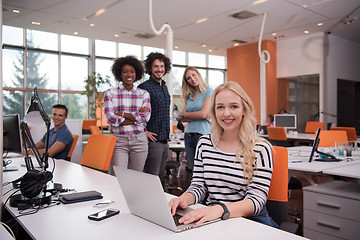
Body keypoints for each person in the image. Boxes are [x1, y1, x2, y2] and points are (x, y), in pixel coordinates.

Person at [169, 81, 278, 228]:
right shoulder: (204, 143)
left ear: (244, 109)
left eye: (234, 106)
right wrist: (184, 199)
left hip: (250, 222)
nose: (226, 113)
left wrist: (219, 210)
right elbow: (198, 186)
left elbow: (256, 201)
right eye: (220, 107)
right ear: (213, 111)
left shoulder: (260, 148)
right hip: (213, 219)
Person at [104, 56, 151, 173]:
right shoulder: (110, 93)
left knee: (136, 177)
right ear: (120, 74)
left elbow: (145, 117)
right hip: (119, 141)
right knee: (118, 177)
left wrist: (122, 114)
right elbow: (110, 119)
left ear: (137, 74)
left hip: (139, 140)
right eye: (125, 72)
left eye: (132, 72)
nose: (128, 74)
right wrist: (136, 118)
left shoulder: (144, 94)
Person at [138, 52, 171, 183]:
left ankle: (161, 203)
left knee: (160, 177)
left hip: (165, 140)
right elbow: (135, 113)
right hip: (153, 141)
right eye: (156, 66)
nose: (159, 69)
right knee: (151, 178)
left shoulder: (165, 87)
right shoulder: (144, 87)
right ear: (150, 68)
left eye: (162, 66)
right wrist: (143, 131)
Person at [178, 67, 213, 171]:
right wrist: (190, 115)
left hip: (203, 135)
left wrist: (186, 114)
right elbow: (181, 118)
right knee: (194, 171)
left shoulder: (208, 91)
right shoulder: (188, 95)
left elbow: (203, 114)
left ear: (198, 74)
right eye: (188, 78)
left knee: (205, 170)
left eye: (194, 75)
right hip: (188, 136)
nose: (192, 79)